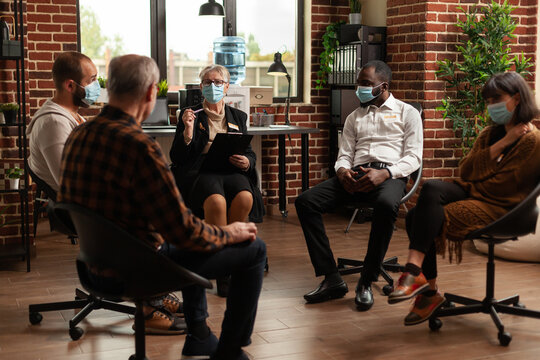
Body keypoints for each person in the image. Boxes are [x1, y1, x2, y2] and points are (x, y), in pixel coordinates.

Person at [59, 54, 266, 360]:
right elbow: (183, 231)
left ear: (109, 88)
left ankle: (199, 335)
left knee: (184, 244)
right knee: (255, 249)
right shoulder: (140, 146)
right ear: (150, 92)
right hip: (138, 267)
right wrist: (229, 233)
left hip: (92, 266)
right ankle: (229, 353)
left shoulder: (77, 134)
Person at [387, 72, 540, 326]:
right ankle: (420, 280)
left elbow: (504, 187)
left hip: (503, 209)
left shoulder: (533, 141)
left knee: (421, 217)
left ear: (516, 98)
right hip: (478, 193)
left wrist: (484, 169)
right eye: (488, 101)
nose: (492, 106)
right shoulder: (492, 134)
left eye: (497, 99)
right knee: (431, 190)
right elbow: (467, 171)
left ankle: (425, 291)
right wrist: (503, 144)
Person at [295, 60, 423, 311]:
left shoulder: (407, 113)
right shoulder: (354, 116)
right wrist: (342, 172)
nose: (360, 89)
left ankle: (366, 281)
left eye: (366, 84)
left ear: (383, 86)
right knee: (305, 201)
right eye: (359, 84)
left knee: (387, 205)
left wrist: (385, 174)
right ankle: (331, 278)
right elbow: (344, 154)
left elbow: (414, 157)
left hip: (389, 175)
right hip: (355, 173)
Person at [170, 64, 264, 297]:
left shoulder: (237, 116)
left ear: (227, 86)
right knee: (217, 203)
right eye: (208, 83)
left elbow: (249, 151)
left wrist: (248, 162)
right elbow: (178, 157)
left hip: (230, 170)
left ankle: (233, 257)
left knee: (245, 197)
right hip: (201, 171)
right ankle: (222, 271)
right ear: (201, 87)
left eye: (218, 82)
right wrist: (188, 133)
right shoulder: (190, 115)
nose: (213, 87)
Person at [28, 51, 99, 194]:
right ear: (70, 86)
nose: (96, 86)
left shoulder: (72, 116)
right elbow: (70, 184)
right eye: (91, 80)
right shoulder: (53, 123)